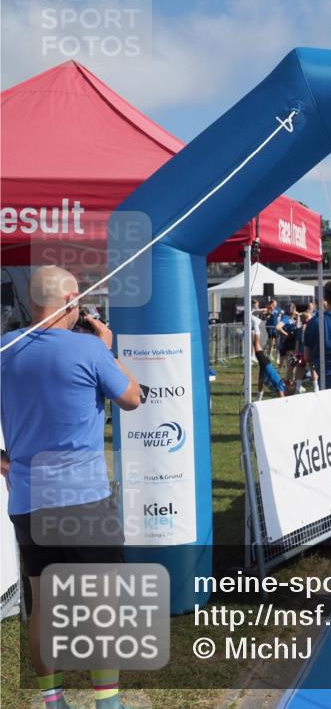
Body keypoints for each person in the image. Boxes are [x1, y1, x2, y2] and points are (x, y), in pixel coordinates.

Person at [1, 266, 142, 709]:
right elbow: (132, 397)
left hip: (28, 500)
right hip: (83, 500)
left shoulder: (5, 347)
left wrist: (5, 464)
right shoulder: (89, 348)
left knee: (44, 606)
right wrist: (107, 350)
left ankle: (54, 701)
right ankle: (107, 702)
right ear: (70, 301)